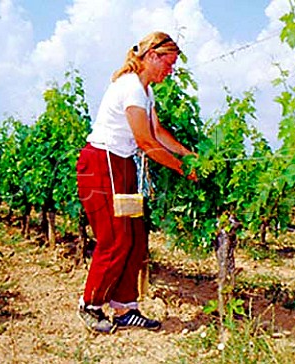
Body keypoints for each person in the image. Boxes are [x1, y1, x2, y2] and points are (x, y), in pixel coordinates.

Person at [76, 31, 197, 334]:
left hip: (123, 167)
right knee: (115, 239)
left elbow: (157, 131)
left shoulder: (146, 91)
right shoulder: (130, 86)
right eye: (167, 64)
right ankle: (90, 304)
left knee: (134, 237)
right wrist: (182, 169)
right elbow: (145, 141)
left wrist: (188, 154)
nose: (169, 71)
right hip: (102, 165)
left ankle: (126, 307)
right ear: (152, 56)